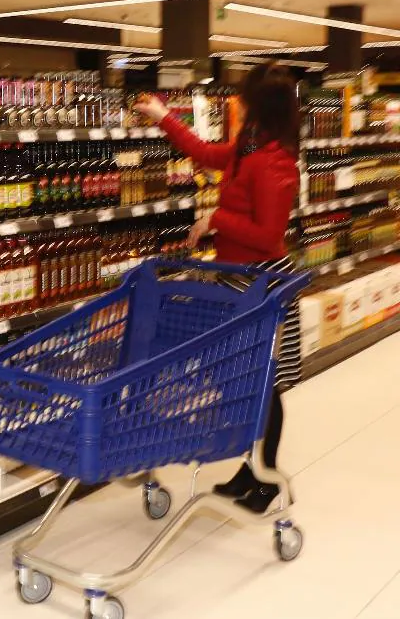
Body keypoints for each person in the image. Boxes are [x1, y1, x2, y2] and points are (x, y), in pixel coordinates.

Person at [133, 62, 301, 514]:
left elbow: (268, 235)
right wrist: (163, 116)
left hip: (263, 283)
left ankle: (265, 476)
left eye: (245, 95)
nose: (239, 101)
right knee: (239, 382)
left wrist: (214, 219)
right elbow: (207, 155)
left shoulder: (275, 161)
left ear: (260, 104)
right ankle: (251, 469)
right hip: (234, 279)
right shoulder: (250, 145)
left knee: (265, 384)